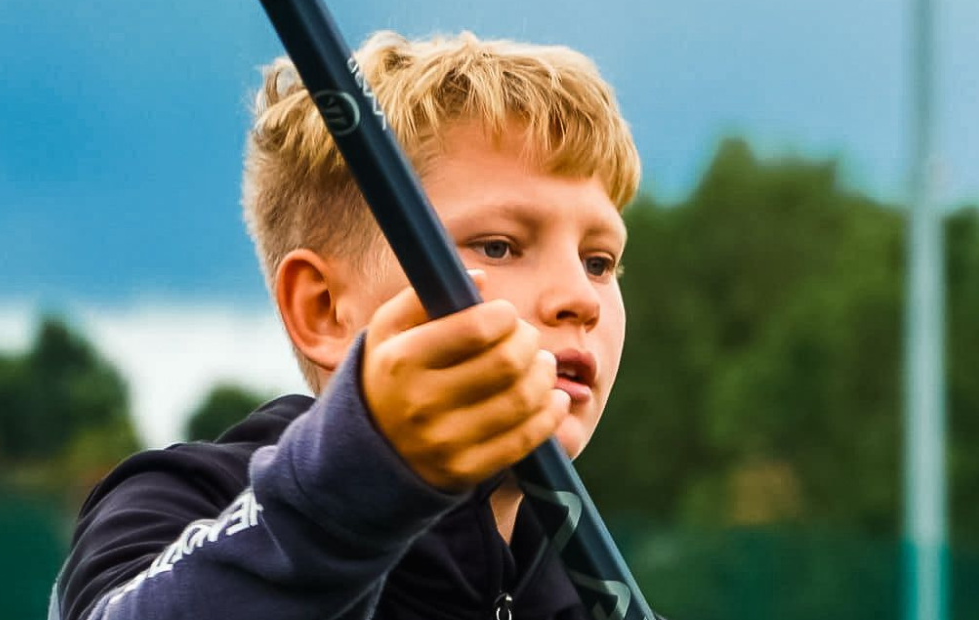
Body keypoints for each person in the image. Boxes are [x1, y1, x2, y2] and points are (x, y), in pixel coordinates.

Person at [51, 31, 640, 620]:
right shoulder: (180, 505)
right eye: (498, 246)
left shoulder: (588, 591)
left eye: (598, 262)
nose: (578, 298)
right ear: (324, 309)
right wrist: (359, 484)